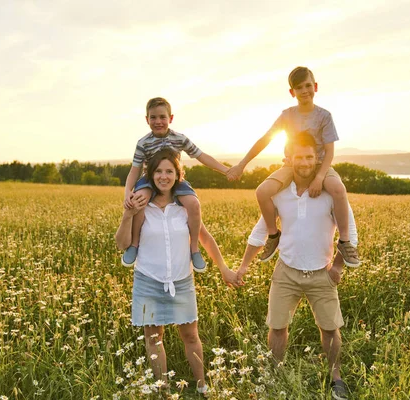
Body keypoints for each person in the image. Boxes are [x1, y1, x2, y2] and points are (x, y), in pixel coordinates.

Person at [236, 132, 358, 400]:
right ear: (288, 160)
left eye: (309, 156)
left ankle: (335, 377)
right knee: (277, 326)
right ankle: (275, 373)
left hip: (321, 272)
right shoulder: (279, 194)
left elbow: (350, 231)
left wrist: (337, 266)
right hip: (286, 271)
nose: (304, 162)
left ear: (317, 159)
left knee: (330, 328)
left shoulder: (330, 193)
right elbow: (260, 233)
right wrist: (244, 266)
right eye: (298, 157)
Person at [115, 148, 240, 395]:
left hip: (181, 281)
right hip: (148, 281)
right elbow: (122, 244)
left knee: (191, 336)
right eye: (158, 171)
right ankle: (163, 390)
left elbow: (205, 238)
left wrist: (223, 267)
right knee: (153, 339)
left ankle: (203, 387)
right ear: (150, 175)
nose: (163, 176)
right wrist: (127, 215)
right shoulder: (140, 205)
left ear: (177, 175)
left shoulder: (185, 207)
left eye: (169, 171)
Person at [227, 66, 358, 267]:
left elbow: (330, 153)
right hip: (292, 165)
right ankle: (273, 235)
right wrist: (242, 164)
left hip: (319, 164)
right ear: (292, 92)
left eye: (308, 86)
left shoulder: (324, 116)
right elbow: (265, 139)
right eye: (299, 87)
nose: (304, 91)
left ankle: (345, 241)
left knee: (338, 189)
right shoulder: (287, 115)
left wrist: (319, 177)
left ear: (315, 87)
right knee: (262, 192)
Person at [122, 97, 229, 271]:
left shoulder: (180, 138)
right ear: (147, 119)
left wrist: (225, 170)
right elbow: (135, 169)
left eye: (162, 117)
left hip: (174, 179)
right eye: (153, 117)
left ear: (170, 118)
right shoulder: (143, 143)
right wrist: (128, 192)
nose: (158, 121)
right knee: (139, 200)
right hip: (150, 179)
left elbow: (202, 156)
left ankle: (193, 249)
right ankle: (134, 244)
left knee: (194, 203)